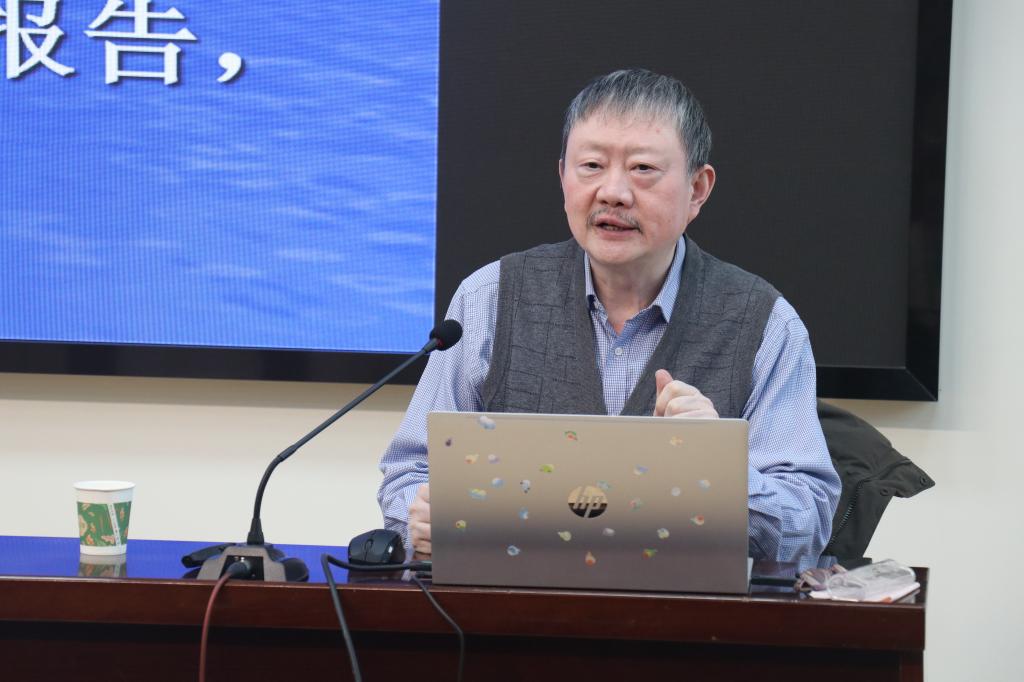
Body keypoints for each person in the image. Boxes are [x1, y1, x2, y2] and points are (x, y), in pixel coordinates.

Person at [378, 68, 840, 563]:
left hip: (683, 609)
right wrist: (418, 517)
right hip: (513, 604)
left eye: (643, 168)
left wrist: (719, 471)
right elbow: (410, 473)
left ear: (698, 189)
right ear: (563, 177)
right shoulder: (487, 299)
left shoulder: (765, 323)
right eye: (592, 166)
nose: (613, 192)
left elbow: (807, 523)